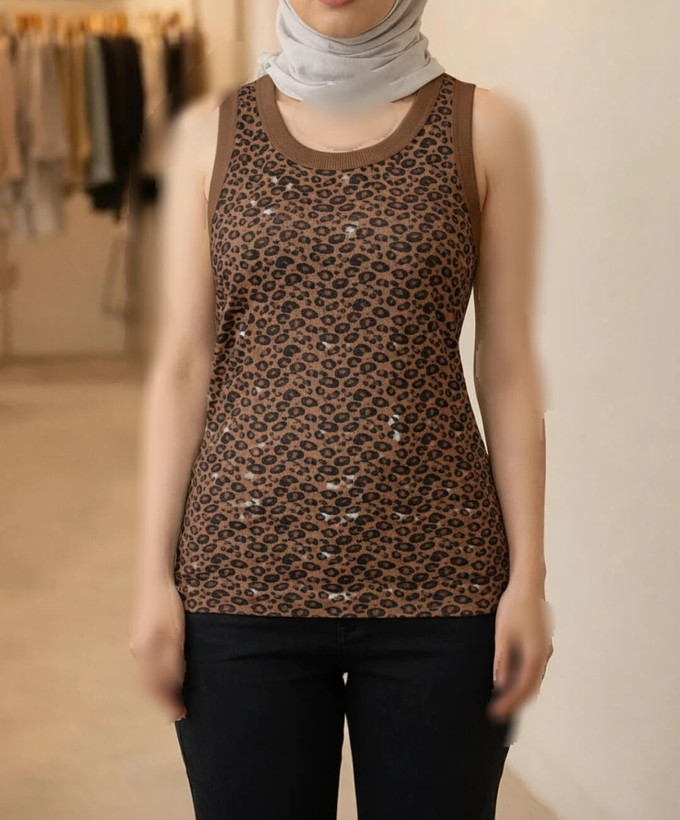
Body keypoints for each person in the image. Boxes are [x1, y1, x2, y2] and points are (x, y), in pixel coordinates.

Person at [130, 1, 554, 817]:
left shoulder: (485, 129)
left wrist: (528, 579)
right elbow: (183, 365)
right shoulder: (209, 135)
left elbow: (506, 368)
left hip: (444, 583)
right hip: (239, 580)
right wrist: (153, 577)